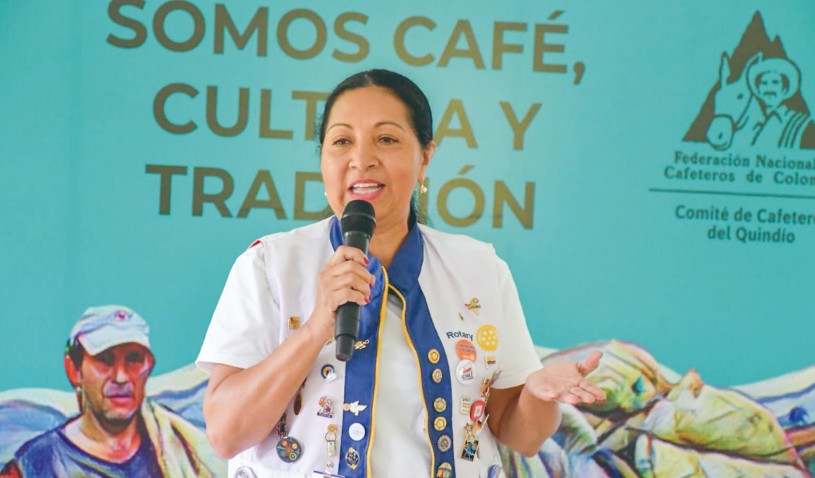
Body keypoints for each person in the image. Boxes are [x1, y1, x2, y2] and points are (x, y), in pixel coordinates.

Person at [197, 69, 606, 478]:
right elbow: (225, 433)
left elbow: (521, 435)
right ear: (322, 159)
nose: (362, 159)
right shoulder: (269, 265)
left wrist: (537, 395)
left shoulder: (479, 269)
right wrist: (318, 325)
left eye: (386, 139)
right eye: (342, 141)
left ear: (425, 157)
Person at [1, 305, 220, 478]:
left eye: (133, 359)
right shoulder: (37, 465)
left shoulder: (180, 453)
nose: (121, 377)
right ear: (74, 369)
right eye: (104, 361)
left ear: (149, 366)